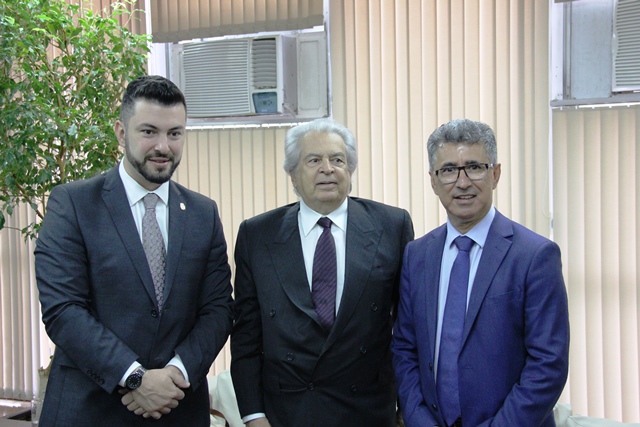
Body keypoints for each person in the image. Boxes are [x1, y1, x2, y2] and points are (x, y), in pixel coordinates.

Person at [34, 75, 234, 426]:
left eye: (175, 133)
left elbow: (218, 309)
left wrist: (175, 373)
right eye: (149, 132)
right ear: (121, 132)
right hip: (90, 410)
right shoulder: (74, 204)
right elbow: (63, 309)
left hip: (178, 407)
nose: (163, 146)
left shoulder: (203, 213)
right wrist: (135, 377)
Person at [230, 118, 414, 427]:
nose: (327, 169)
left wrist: (407, 407)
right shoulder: (257, 235)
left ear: (350, 170)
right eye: (313, 160)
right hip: (286, 413)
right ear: (293, 174)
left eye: (337, 160)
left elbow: (409, 328)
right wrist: (253, 415)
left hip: (368, 410)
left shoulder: (391, 226)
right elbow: (246, 336)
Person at [391, 118, 570, 427]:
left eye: (474, 167)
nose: (462, 183)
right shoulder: (416, 255)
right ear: (433, 181)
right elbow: (405, 349)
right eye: (449, 170)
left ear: (495, 174)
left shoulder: (535, 255)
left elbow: (548, 366)